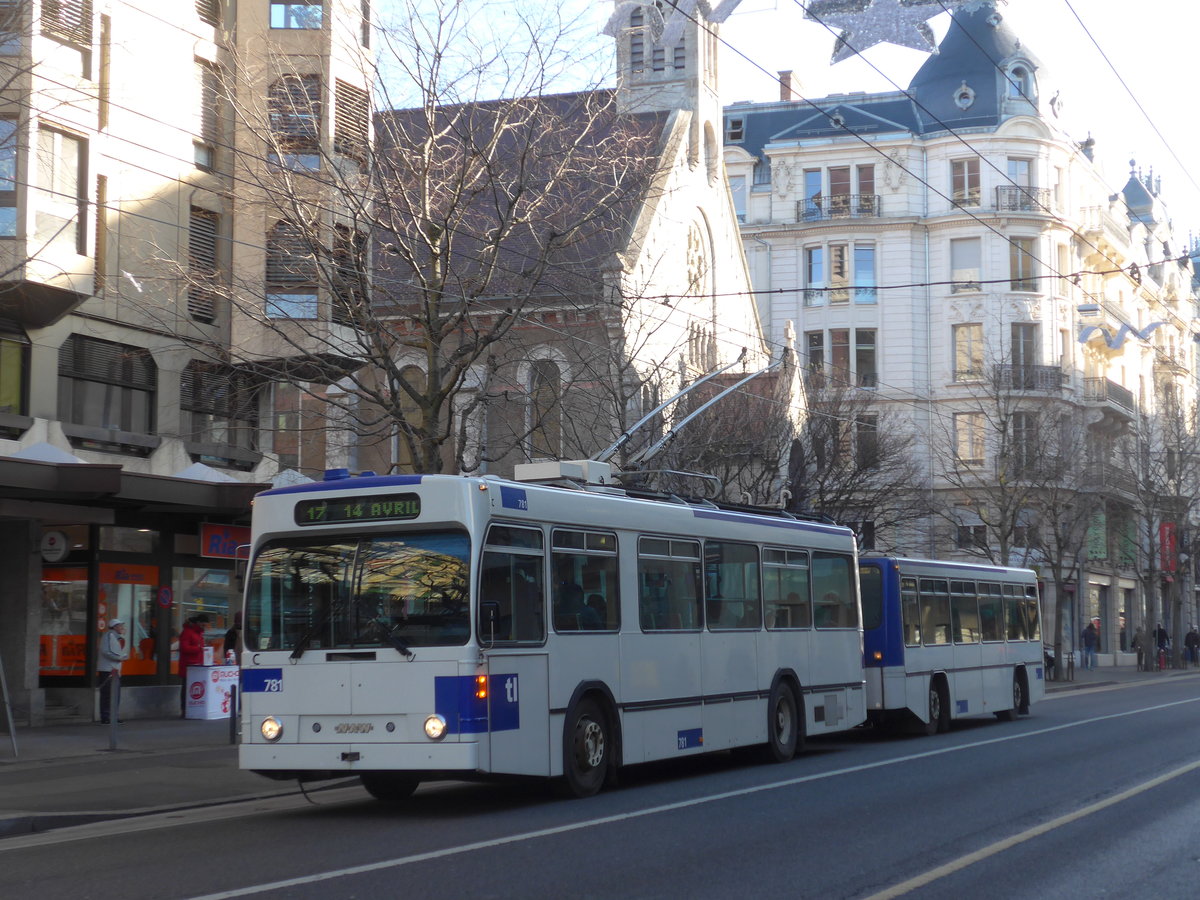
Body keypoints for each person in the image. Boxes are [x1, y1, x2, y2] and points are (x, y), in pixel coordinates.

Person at [97, 618, 128, 724]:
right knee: (107, 694)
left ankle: (113, 715)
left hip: (113, 669)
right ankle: (106, 716)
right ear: (114, 627)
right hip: (107, 669)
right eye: (120, 626)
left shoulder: (115, 637)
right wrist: (119, 658)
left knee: (114, 694)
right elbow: (106, 651)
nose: (122, 628)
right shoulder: (109, 636)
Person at [178, 615, 208, 717]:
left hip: (196, 665)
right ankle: (184, 710)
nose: (205, 625)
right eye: (204, 623)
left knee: (191, 688)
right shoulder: (187, 632)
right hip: (188, 666)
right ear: (198, 623)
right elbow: (184, 648)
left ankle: (192, 710)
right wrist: (199, 649)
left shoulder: (198, 633)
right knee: (186, 688)